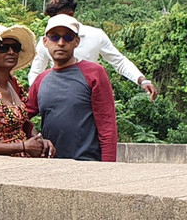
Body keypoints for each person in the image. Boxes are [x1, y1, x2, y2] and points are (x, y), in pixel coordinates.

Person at [28, 0, 158, 100]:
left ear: (71, 14)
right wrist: (42, 98)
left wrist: (142, 80)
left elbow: (119, 61)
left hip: (91, 99)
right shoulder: (47, 41)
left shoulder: (95, 35)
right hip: (59, 100)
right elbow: (35, 73)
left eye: (57, 17)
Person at [26, 15, 118, 162]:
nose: (61, 43)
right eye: (54, 37)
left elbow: (107, 125)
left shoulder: (94, 73)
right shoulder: (41, 80)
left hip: (87, 165)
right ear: (45, 42)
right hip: (50, 165)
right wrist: (35, 139)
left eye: (68, 37)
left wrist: (107, 168)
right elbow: (21, 117)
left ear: (77, 42)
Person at [0, 23, 54, 158]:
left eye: (15, 48)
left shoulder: (15, 85)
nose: (11, 52)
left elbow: (23, 123)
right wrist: (23, 146)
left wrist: (39, 141)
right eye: (3, 48)